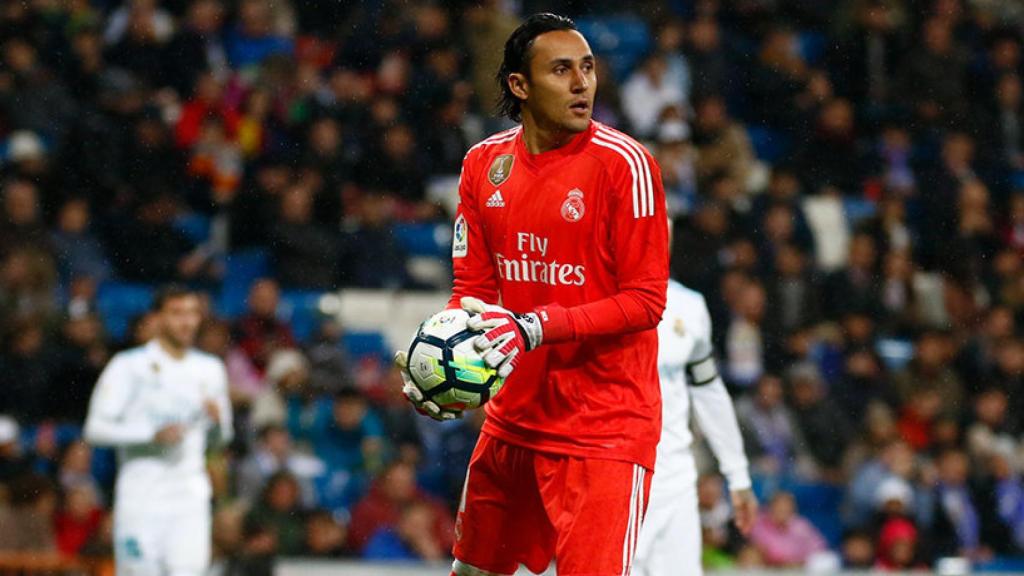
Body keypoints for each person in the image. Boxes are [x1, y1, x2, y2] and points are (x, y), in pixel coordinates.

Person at [395, 13, 669, 576]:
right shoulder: (483, 165)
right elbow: (472, 292)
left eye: (588, 68)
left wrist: (534, 327)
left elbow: (646, 302)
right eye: (562, 70)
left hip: (604, 432)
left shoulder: (626, 165)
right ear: (520, 85)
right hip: (512, 421)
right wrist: (443, 372)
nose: (581, 84)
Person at [84, 285, 233, 576]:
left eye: (192, 313)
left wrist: (217, 424)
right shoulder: (129, 366)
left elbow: (221, 439)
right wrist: (149, 434)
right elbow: (95, 429)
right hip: (141, 499)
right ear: (157, 318)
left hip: (189, 500)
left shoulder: (210, 369)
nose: (187, 321)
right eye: (177, 313)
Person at [633, 275, 758, 576]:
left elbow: (707, 388)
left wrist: (738, 474)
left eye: (667, 225)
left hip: (676, 477)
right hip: (620, 473)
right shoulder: (596, 292)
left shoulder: (690, 305)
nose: (659, 232)